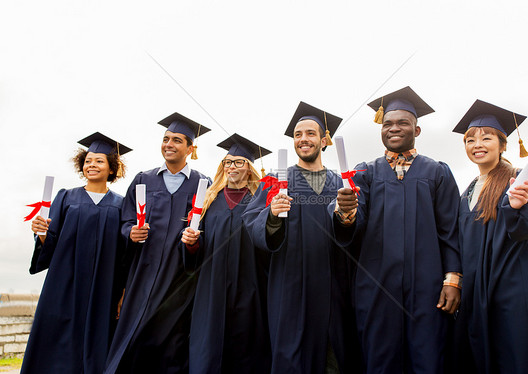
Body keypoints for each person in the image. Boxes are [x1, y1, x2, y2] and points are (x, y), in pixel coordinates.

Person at [334, 86, 462, 373]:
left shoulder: (437, 172)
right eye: (387, 123)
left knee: (428, 360)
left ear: (417, 130)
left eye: (403, 123)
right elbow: (355, 221)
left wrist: (452, 280)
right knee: (380, 361)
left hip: (427, 287)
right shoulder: (364, 173)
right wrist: (345, 210)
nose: (394, 128)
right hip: (377, 286)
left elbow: (450, 230)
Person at [243, 102, 361, 374]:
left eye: (310, 133)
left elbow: (356, 228)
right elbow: (251, 221)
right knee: (291, 358)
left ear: (323, 140)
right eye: (297, 135)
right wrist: (271, 215)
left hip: (334, 288)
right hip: (290, 286)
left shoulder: (341, 183)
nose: (303, 139)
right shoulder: (275, 180)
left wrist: (347, 215)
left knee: (333, 359)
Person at [451, 100, 528, 373]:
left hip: (515, 296)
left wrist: (517, 206)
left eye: (487, 137)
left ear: (503, 145)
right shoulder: (467, 193)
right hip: (479, 296)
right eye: (470, 139)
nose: (478, 144)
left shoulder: (522, 180)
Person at [104, 112, 211, 374]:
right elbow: (125, 220)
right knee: (134, 338)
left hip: (179, 278)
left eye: (176, 140)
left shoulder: (204, 184)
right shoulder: (144, 179)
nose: (169, 144)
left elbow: (210, 230)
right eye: (165, 139)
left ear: (190, 148)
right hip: (142, 273)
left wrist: (194, 242)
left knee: (172, 343)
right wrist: (131, 232)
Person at [22, 133, 131, 374]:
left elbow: (126, 253)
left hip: (105, 285)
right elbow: (50, 240)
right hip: (65, 283)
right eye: (88, 160)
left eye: (99, 161)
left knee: (100, 342)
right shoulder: (66, 197)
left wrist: (123, 291)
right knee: (59, 340)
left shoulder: (122, 204)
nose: (92, 165)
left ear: (112, 168)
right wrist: (41, 233)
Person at [182, 133, 272, 374]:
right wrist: (191, 244)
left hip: (251, 288)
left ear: (250, 168)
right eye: (227, 162)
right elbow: (196, 248)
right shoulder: (208, 201)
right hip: (212, 288)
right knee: (209, 352)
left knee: (247, 352)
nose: (232, 166)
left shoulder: (261, 200)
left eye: (239, 162)